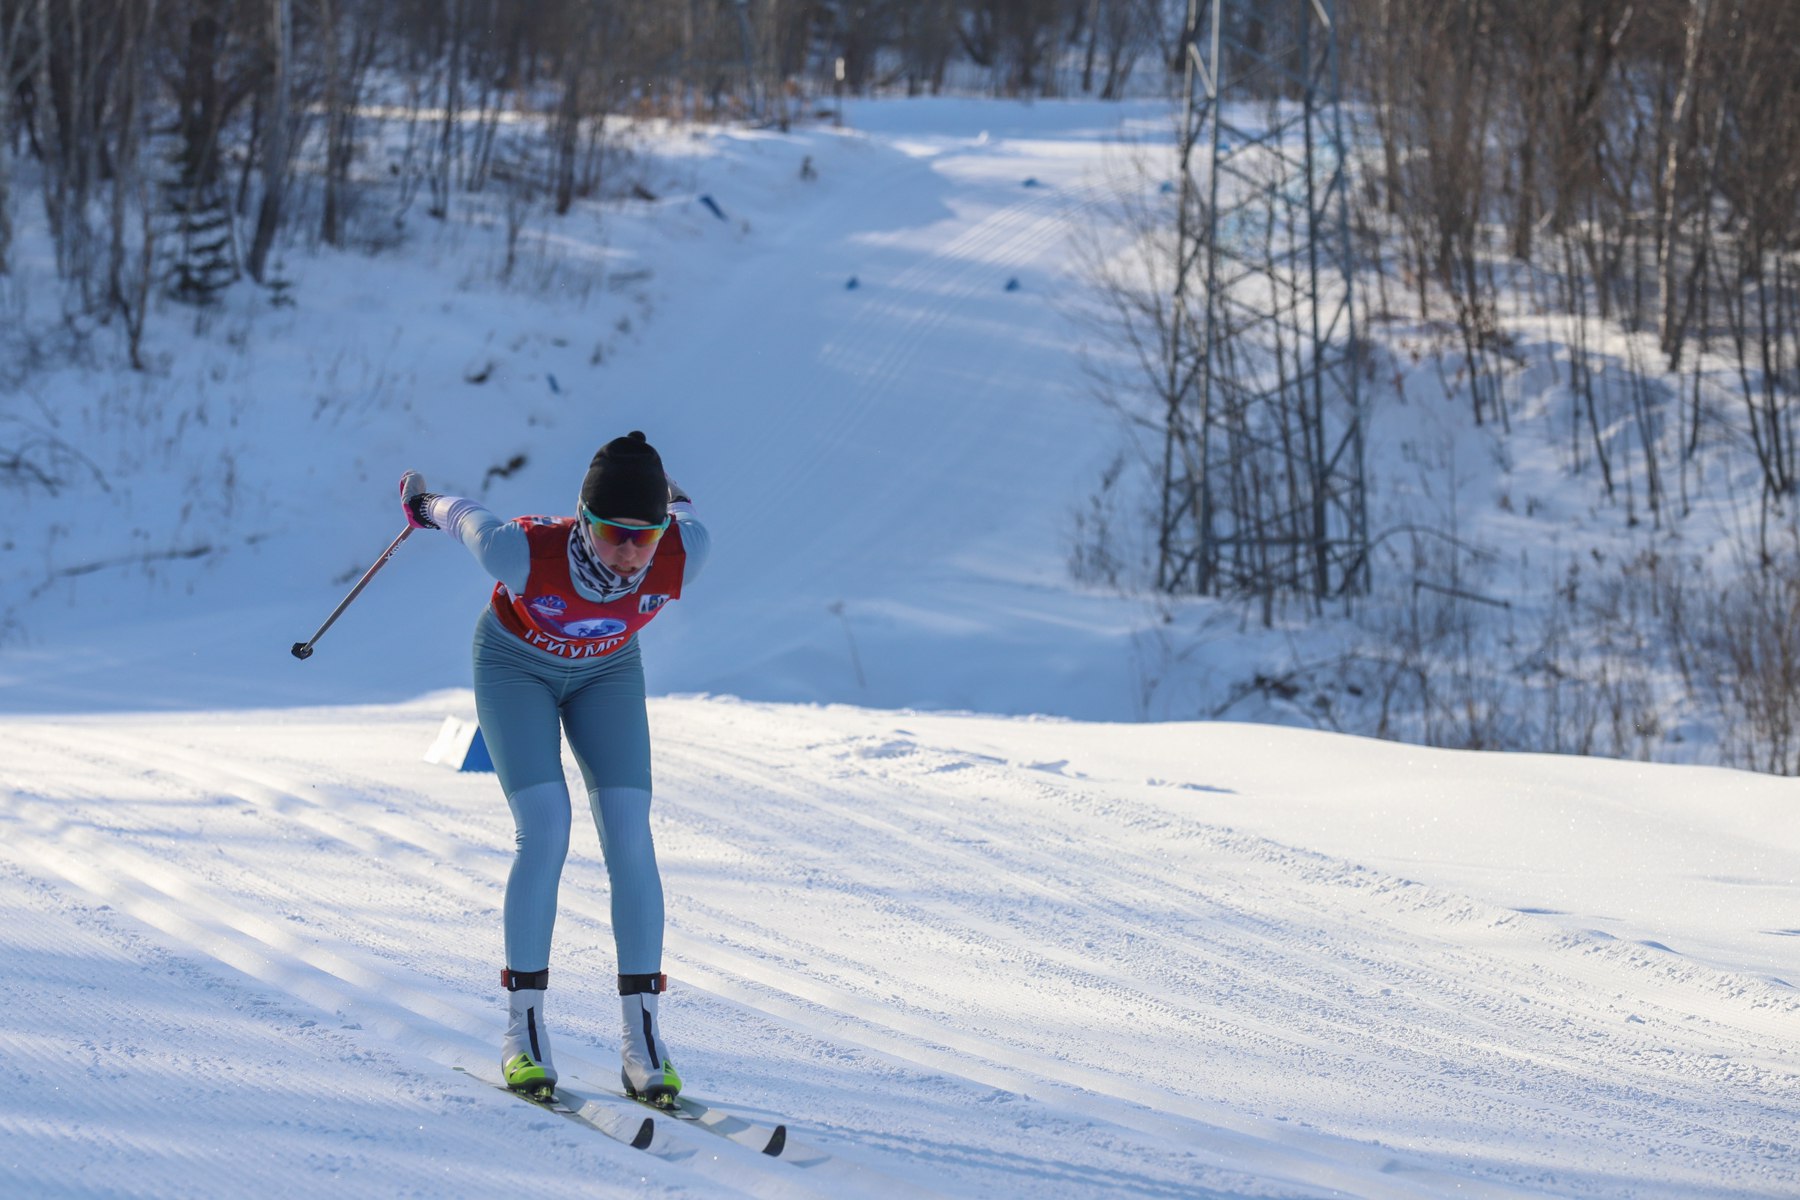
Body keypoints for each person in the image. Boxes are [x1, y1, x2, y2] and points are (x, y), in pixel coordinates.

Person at [398, 431, 708, 1107]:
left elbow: (680, 514)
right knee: (545, 828)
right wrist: (422, 504)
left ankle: (644, 1039)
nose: (630, 553)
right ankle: (526, 1029)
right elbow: (464, 515)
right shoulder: (522, 551)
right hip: (515, 668)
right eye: (612, 533)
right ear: (583, 520)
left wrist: (665, 495)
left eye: (645, 535)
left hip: (607, 674)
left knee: (629, 833)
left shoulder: (683, 549)